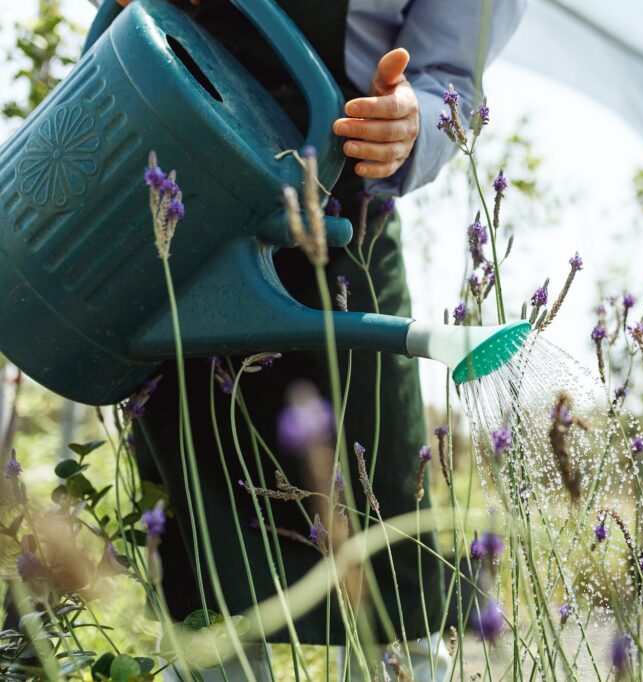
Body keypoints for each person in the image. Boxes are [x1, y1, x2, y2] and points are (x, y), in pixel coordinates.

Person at [118, 0, 526, 679]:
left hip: (340, 231)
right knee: (205, 581)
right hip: (179, 210)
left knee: (390, 574)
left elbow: (451, 76)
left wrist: (414, 121)